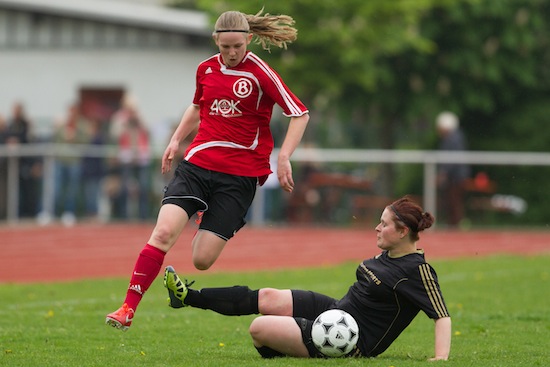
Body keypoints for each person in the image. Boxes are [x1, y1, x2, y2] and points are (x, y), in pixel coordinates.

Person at [106, 9, 310, 331]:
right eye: (225, 46)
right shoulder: (205, 68)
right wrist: (175, 141)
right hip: (197, 165)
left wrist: (284, 156)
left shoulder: (261, 73)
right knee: (162, 233)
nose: (231, 53)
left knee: (202, 259)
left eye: (237, 47)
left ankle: (206, 214)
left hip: (239, 177)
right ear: (216, 40)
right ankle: (128, 308)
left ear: (249, 40)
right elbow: (198, 106)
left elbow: (300, 113)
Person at [163, 196, 452, 360]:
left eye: (384, 224)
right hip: (337, 311)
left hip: (345, 339)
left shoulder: (416, 270)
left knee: (259, 328)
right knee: (268, 297)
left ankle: (284, 345)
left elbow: (441, 315)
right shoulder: (390, 254)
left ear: (403, 232)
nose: (377, 228)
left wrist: (440, 359)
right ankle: (188, 297)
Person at [435, 111, 470, 227]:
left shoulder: (453, 138)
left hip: (456, 176)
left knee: (454, 201)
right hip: (456, 175)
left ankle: (455, 224)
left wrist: (443, 173)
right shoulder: (455, 137)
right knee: (452, 201)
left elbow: (451, 159)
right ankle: (454, 223)